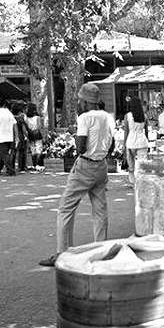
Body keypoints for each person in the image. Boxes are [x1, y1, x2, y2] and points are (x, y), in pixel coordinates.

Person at [40, 83, 114, 266]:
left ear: (86, 101)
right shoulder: (108, 117)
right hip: (102, 166)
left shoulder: (85, 118)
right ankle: (101, 250)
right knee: (100, 210)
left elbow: (80, 147)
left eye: (80, 100)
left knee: (66, 208)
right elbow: (112, 145)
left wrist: (75, 136)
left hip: (85, 166)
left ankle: (63, 253)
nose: (78, 103)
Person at [124, 97, 150, 186]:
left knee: (131, 164)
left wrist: (124, 144)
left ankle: (132, 182)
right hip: (142, 141)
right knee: (142, 164)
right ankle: (141, 182)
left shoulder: (127, 116)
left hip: (131, 141)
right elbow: (146, 131)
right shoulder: (144, 116)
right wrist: (147, 141)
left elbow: (126, 131)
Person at [0, 98, 18, 176]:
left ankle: (11, 170)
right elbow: (14, 124)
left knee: (5, 155)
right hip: (10, 136)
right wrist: (16, 136)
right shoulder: (9, 113)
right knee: (4, 154)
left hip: (0, 137)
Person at [25, 104, 45, 171]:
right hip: (37, 134)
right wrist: (43, 136)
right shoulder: (37, 117)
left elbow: (27, 127)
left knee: (33, 149)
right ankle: (39, 164)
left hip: (30, 134)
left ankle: (34, 164)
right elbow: (39, 127)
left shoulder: (27, 118)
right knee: (39, 149)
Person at [12, 103, 29, 172]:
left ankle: (12, 167)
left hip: (12, 135)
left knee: (14, 152)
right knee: (22, 151)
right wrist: (27, 135)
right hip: (21, 136)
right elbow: (23, 128)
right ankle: (22, 167)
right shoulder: (21, 117)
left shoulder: (11, 117)